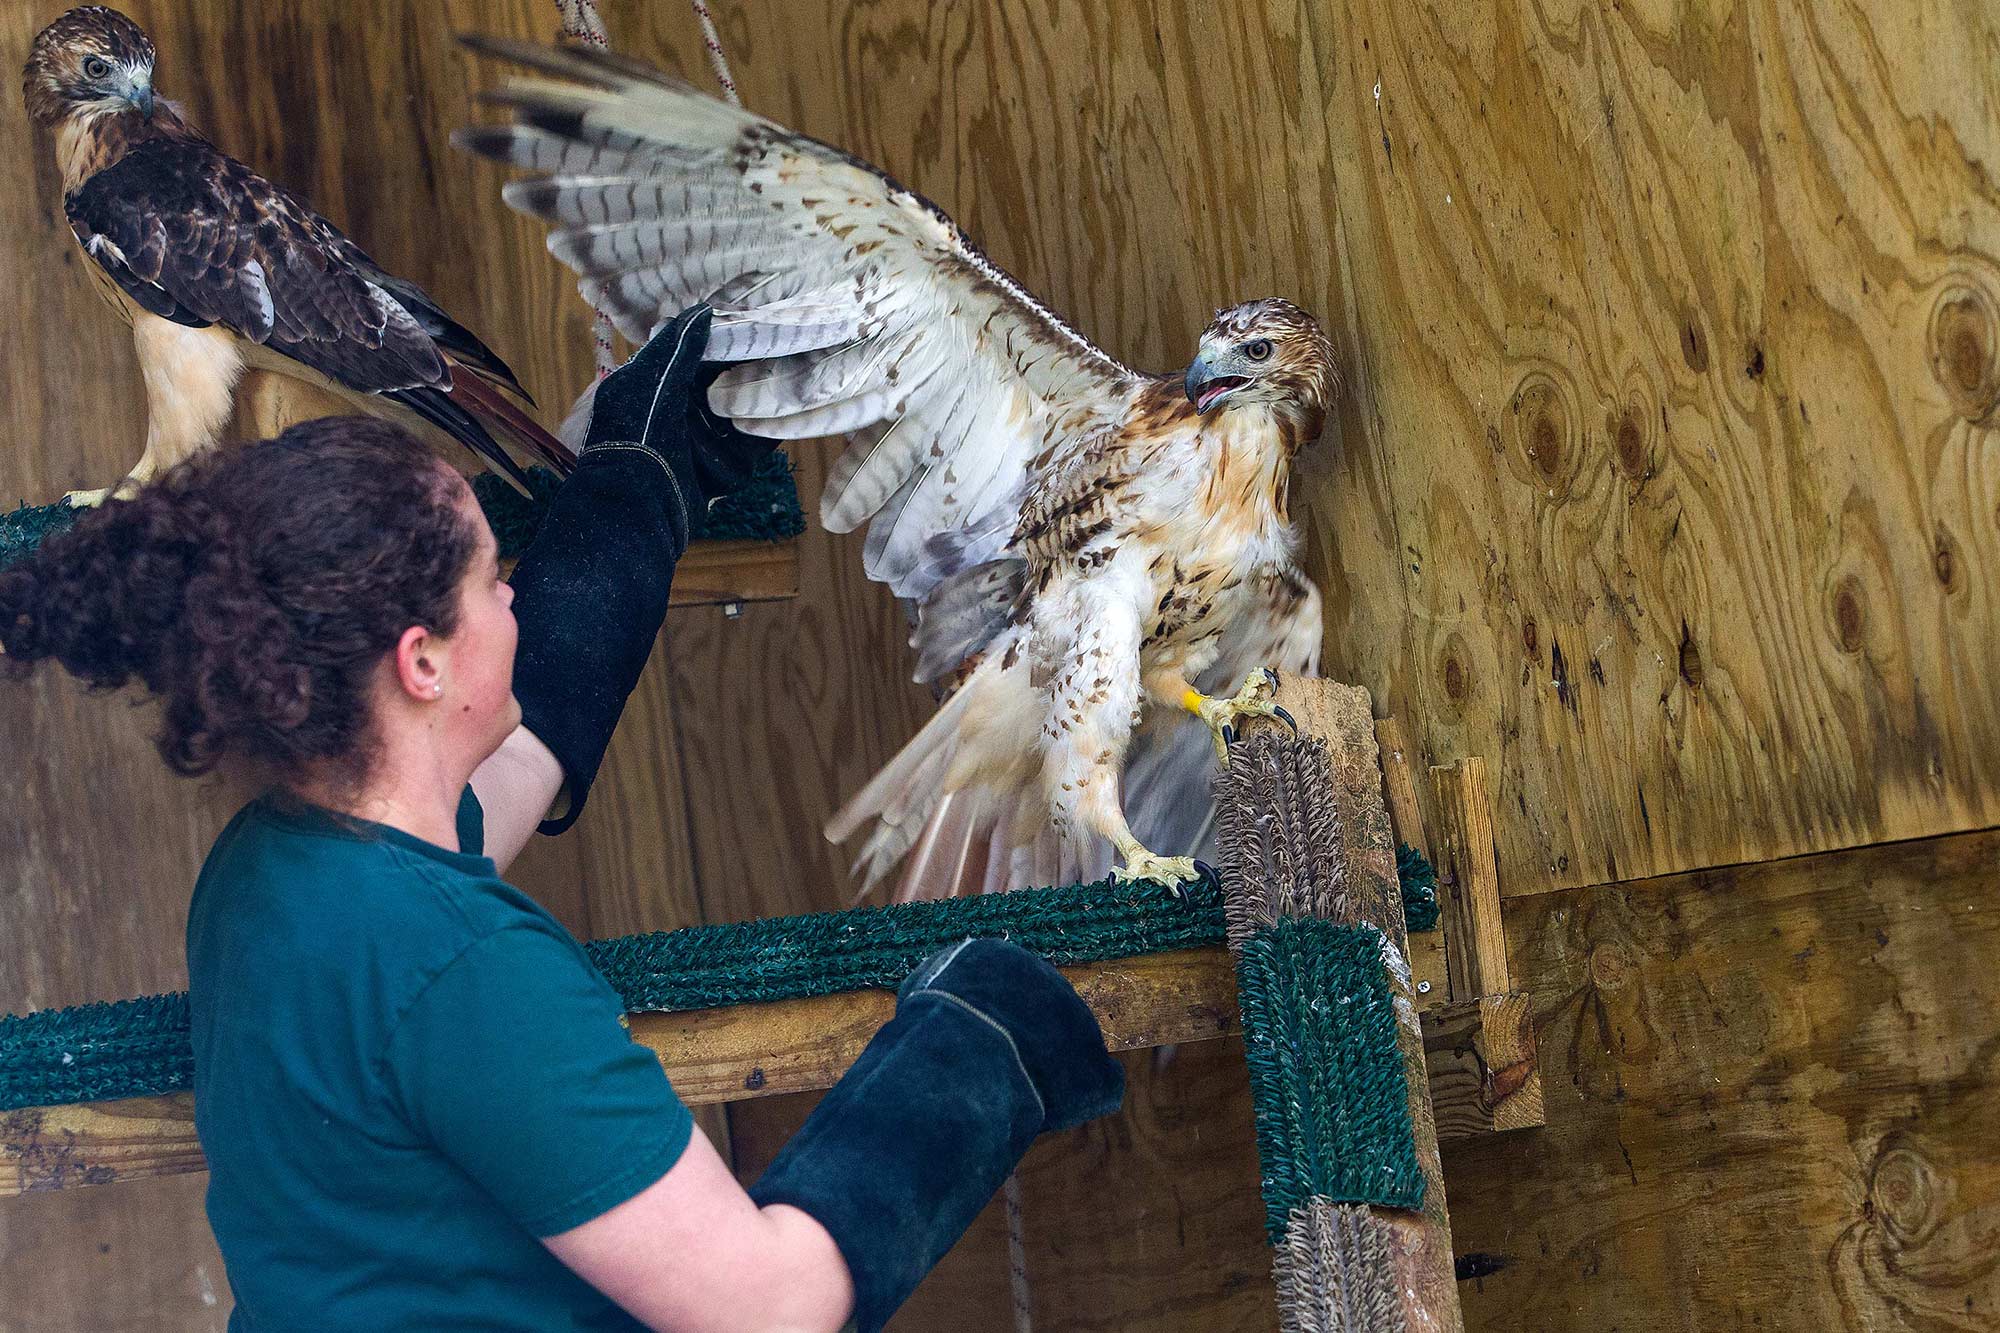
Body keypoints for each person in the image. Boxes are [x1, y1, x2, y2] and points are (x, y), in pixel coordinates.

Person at [0, 306, 1124, 1333]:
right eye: (496, 580)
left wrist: (639, 491)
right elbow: (768, 1305)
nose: (512, 600)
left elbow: (518, 756)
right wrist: (983, 1041)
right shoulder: (468, 972)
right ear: (423, 662)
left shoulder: (277, 867)